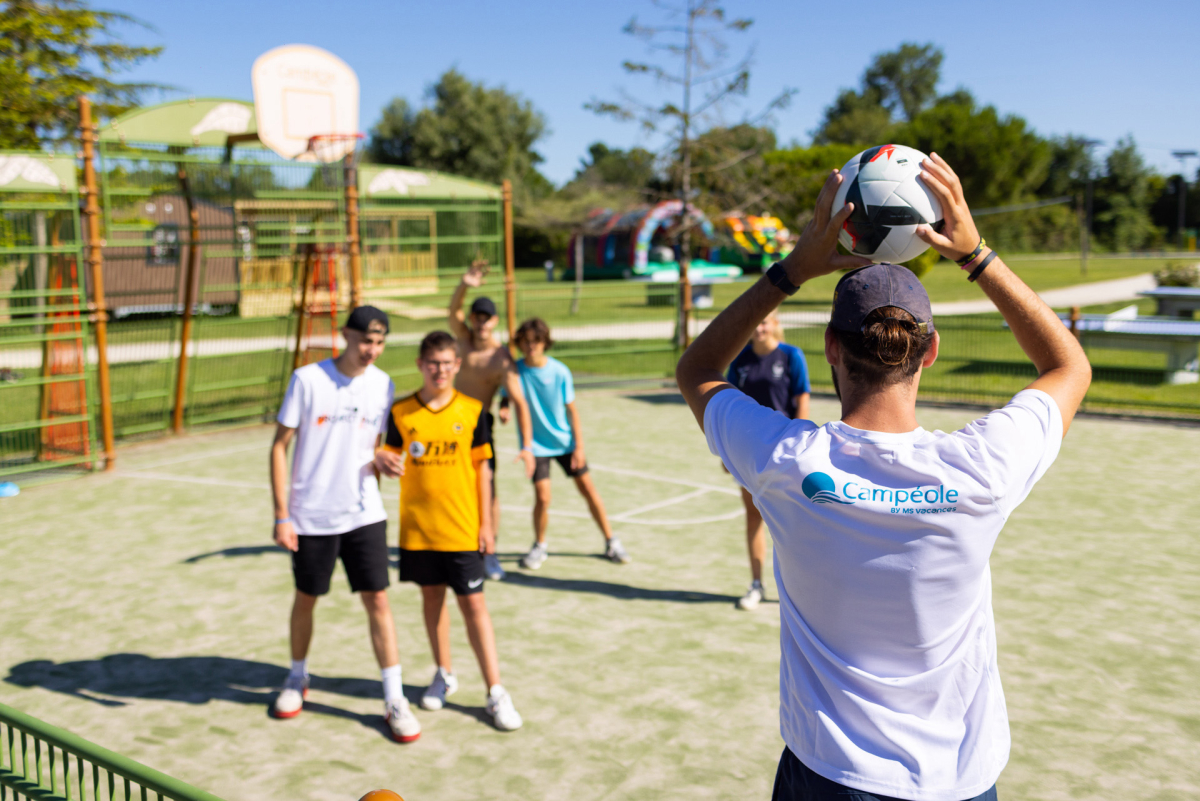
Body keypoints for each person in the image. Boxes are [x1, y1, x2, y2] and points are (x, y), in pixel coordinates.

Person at [675, 156, 1091, 800]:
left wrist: (791, 270)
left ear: (831, 349)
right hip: (958, 780)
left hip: (828, 775)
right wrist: (976, 254)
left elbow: (698, 369)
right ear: (930, 351)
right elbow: (1069, 367)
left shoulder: (788, 461)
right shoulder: (980, 467)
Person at [269, 306, 421, 743]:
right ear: (346, 335)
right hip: (311, 515)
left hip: (364, 513)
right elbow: (279, 447)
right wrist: (282, 515)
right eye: (366, 341)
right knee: (307, 597)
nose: (372, 350)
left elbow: (372, 446)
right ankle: (297, 676)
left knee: (378, 600)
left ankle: (394, 697)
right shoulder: (307, 380)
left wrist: (381, 459)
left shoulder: (383, 384)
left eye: (380, 342)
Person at [376, 330, 523, 731]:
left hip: (463, 529)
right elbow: (387, 457)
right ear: (420, 365)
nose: (439, 370)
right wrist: (381, 459)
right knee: (431, 600)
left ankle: (495, 691)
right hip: (420, 531)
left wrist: (487, 525)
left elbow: (483, 471)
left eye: (446, 363)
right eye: (432, 363)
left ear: (457, 365)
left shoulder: (474, 412)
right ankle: (444, 673)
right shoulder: (402, 411)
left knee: (474, 605)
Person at [501, 317, 630, 569]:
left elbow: (572, 411)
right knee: (543, 497)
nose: (531, 346)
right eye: (526, 342)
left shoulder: (559, 371)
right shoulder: (514, 371)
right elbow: (507, 394)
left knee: (588, 490)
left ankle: (611, 541)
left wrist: (579, 447)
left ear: (545, 343)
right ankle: (539, 546)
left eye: (536, 341)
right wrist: (504, 407)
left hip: (565, 443)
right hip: (536, 447)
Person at [448, 259, 536, 581]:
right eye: (477, 317)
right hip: (449, 421)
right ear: (471, 319)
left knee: (488, 489)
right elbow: (452, 310)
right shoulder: (462, 338)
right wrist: (465, 284)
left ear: (495, 321)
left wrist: (527, 445)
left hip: (478, 425)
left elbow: (520, 402)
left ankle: (490, 552)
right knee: (449, 485)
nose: (481, 323)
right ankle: (453, 545)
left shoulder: (501, 358)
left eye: (487, 318)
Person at [725, 310, 810, 610]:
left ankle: (800, 591)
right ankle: (756, 585)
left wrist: (800, 443)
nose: (759, 328)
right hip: (749, 452)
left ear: (775, 324)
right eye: (755, 322)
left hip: (785, 452)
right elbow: (731, 406)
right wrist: (727, 450)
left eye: (764, 322)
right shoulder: (740, 360)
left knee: (792, 523)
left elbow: (802, 398)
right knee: (753, 518)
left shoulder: (791, 356)